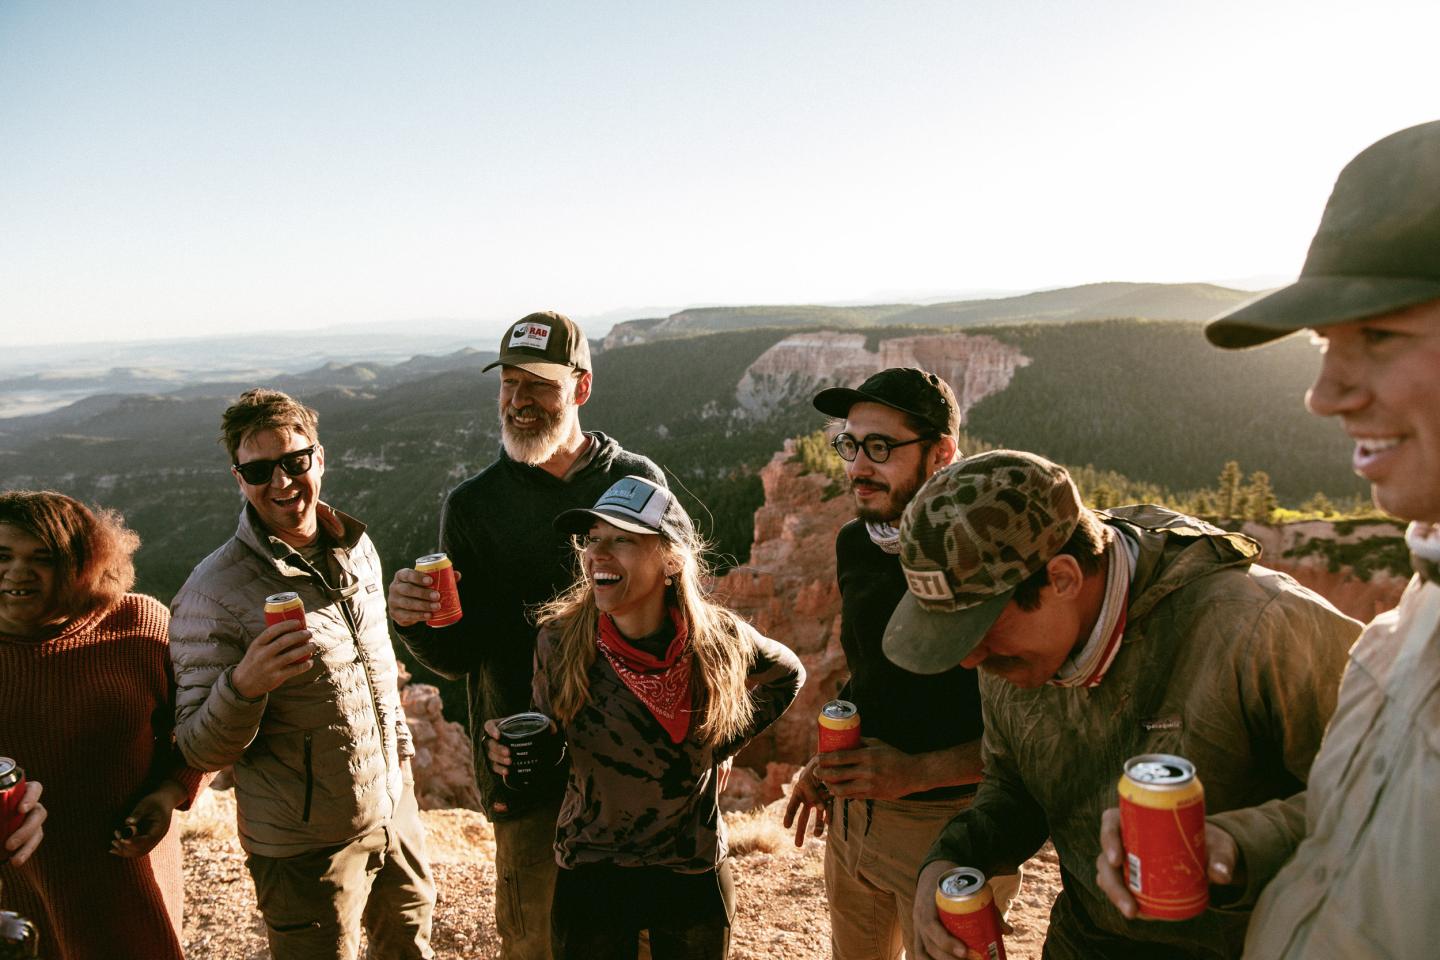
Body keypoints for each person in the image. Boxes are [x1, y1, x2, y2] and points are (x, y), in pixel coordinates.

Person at [1099, 119, 1440, 959]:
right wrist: (1236, 843)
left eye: (1382, 336)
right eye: (1326, 342)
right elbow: (1363, 829)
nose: (1321, 394)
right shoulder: (1420, 604)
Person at [883, 451, 1360, 960]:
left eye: (978, 628)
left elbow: (1383, 800)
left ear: (1063, 578)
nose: (968, 658)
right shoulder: (1010, 658)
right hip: (1088, 939)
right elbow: (1014, 787)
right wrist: (951, 857)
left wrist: (1235, 846)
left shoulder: (1261, 628)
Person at [390, 311, 665, 959]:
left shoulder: (635, 484)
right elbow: (460, 655)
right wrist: (415, 624)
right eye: (509, 383)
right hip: (527, 777)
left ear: (581, 388)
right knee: (537, 943)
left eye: (539, 384)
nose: (518, 401)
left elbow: (678, 627)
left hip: (632, 777)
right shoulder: (473, 507)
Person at [484, 475, 804, 958]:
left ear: (671, 560)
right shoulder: (561, 640)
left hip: (689, 871)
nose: (597, 554)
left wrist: (720, 743)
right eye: (592, 540)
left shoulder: (718, 641)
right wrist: (513, 757)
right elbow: (551, 744)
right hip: (592, 868)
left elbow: (788, 674)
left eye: (623, 540)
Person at [169, 389, 434, 960]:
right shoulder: (211, 592)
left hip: (393, 808)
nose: (282, 482)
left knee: (410, 945)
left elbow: (377, 670)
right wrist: (245, 685)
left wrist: (401, 760)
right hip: (303, 844)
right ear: (238, 478)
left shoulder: (357, 549)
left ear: (320, 457)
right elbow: (196, 745)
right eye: (260, 470)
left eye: (295, 461)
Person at [782, 367, 1019, 959]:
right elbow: (872, 673)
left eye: (881, 447)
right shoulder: (855, 543)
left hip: (952, 828)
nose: (858, 466)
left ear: (941, 453)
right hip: (854, 823)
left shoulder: (989, 556)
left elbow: (1035, 734)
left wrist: (915, 773)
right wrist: (832, 765)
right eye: (850, 444)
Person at [0, 490, 207, 960]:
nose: (17, 572)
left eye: (43, 557)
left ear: (82, 562)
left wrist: (173, 790)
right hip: (15, 895)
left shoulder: (137, 625)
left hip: (126, 887)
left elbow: (203, 724)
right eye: (2, 555)